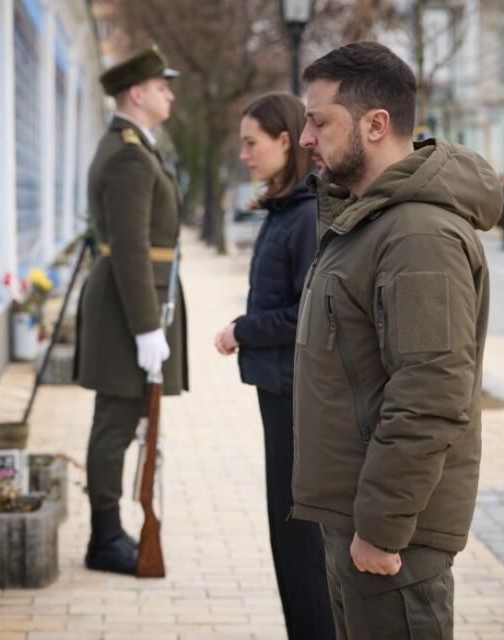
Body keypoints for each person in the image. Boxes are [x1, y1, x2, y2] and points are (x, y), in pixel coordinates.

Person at [293, 42, 501, 638]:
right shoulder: (369, 220)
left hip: (391, 539)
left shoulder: (417, 237)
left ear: (376, 124)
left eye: (319, 120)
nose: (307, 137)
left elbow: (431, 393)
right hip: (360, 518)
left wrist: (381, 527)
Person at [213, 92, 333, 639]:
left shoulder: (305, 214)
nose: (245, 154)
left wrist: (242, 330)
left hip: (294, 392)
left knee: (299, 537)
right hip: (276, 387)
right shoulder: (286, 209)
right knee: (286, 534)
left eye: (252, 143)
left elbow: (306, 310)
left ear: (286, 141)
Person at [74, 43, 188, 575]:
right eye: (161, 86)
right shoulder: (127, 154)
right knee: (115, 424)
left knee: (121, 420)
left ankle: (109, 531)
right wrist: (146, 328)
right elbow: (130, 248)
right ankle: (105, 537)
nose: (169, 93)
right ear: (137, 94)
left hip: (136, 302)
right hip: (128, 307)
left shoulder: (136, 146)